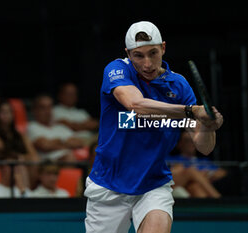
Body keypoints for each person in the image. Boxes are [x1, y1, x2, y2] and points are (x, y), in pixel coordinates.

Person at [84, 21, 223, 233]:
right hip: (108, 185)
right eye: (138, 55)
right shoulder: (117, 70)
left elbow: (204, 147)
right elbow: (135, 105)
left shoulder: (178, 86)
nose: (147, 63)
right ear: (128, 53)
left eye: (153, 53)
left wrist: (207, 125)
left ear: (164, 48)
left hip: (153, 183)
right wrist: (192, 111)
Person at [28, 95, 84, 162]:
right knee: (69, 157)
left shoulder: (60, 127)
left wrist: (55, 143)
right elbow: (44, 145)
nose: (47, 111)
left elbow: (78, 143)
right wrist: (66, 142)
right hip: (49, 164)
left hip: (73, 159)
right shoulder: (32, 126)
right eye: (43, 108)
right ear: (35, 110)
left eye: (49, 107)